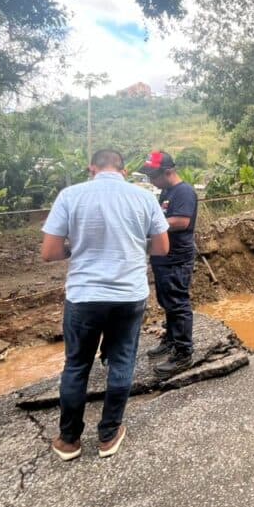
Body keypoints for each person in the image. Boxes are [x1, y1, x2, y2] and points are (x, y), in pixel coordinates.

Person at [41, 149, 169, 461]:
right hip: (129, 294)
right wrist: (134, 247)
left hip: (84, 295)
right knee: (122, 362)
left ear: (91, 169)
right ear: (124, 171)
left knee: (76, 366)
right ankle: (108, 435)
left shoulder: (70, 196)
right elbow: (163, 247)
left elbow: (50, 252)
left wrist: (78, 250)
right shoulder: (144, 198)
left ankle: (69, 440)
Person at [140, 151, 199, 378]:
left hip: (177, 256)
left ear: (167, 172)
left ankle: (184, 353)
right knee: (167, 300)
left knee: (177, 301)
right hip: (163, 255)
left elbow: (181, 221)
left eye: (152, 175)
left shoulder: (183, 191)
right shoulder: (165, 191)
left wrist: (150, 226)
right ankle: (172, 339)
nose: (151, 180)